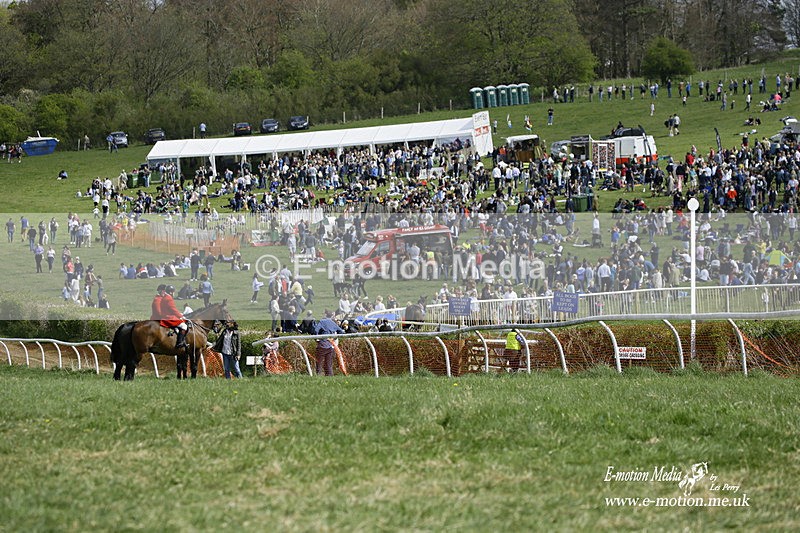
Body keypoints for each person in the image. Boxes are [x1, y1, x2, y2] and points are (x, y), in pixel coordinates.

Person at [314, 310, 345, 376]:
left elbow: (315, 330)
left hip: (322, 345)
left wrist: (317, 339)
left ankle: (318, 376)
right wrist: (334, 338)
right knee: (329, 365)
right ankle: (330, 377)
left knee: (319, 363)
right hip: (331, 346)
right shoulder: (333, 323)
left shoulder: (322, 321)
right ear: (332, 316)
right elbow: (341, 332)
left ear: (325, 315)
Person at [160, 285, 188, 349]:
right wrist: (181, 316)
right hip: (168, 318)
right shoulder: (169, 298)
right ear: (171, 292)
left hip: (165, 316)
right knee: (184, 326)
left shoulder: (164, 297)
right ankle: (179, 343)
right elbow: (173, 309)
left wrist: (179, 314)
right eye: (173, 292)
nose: (174, 293)